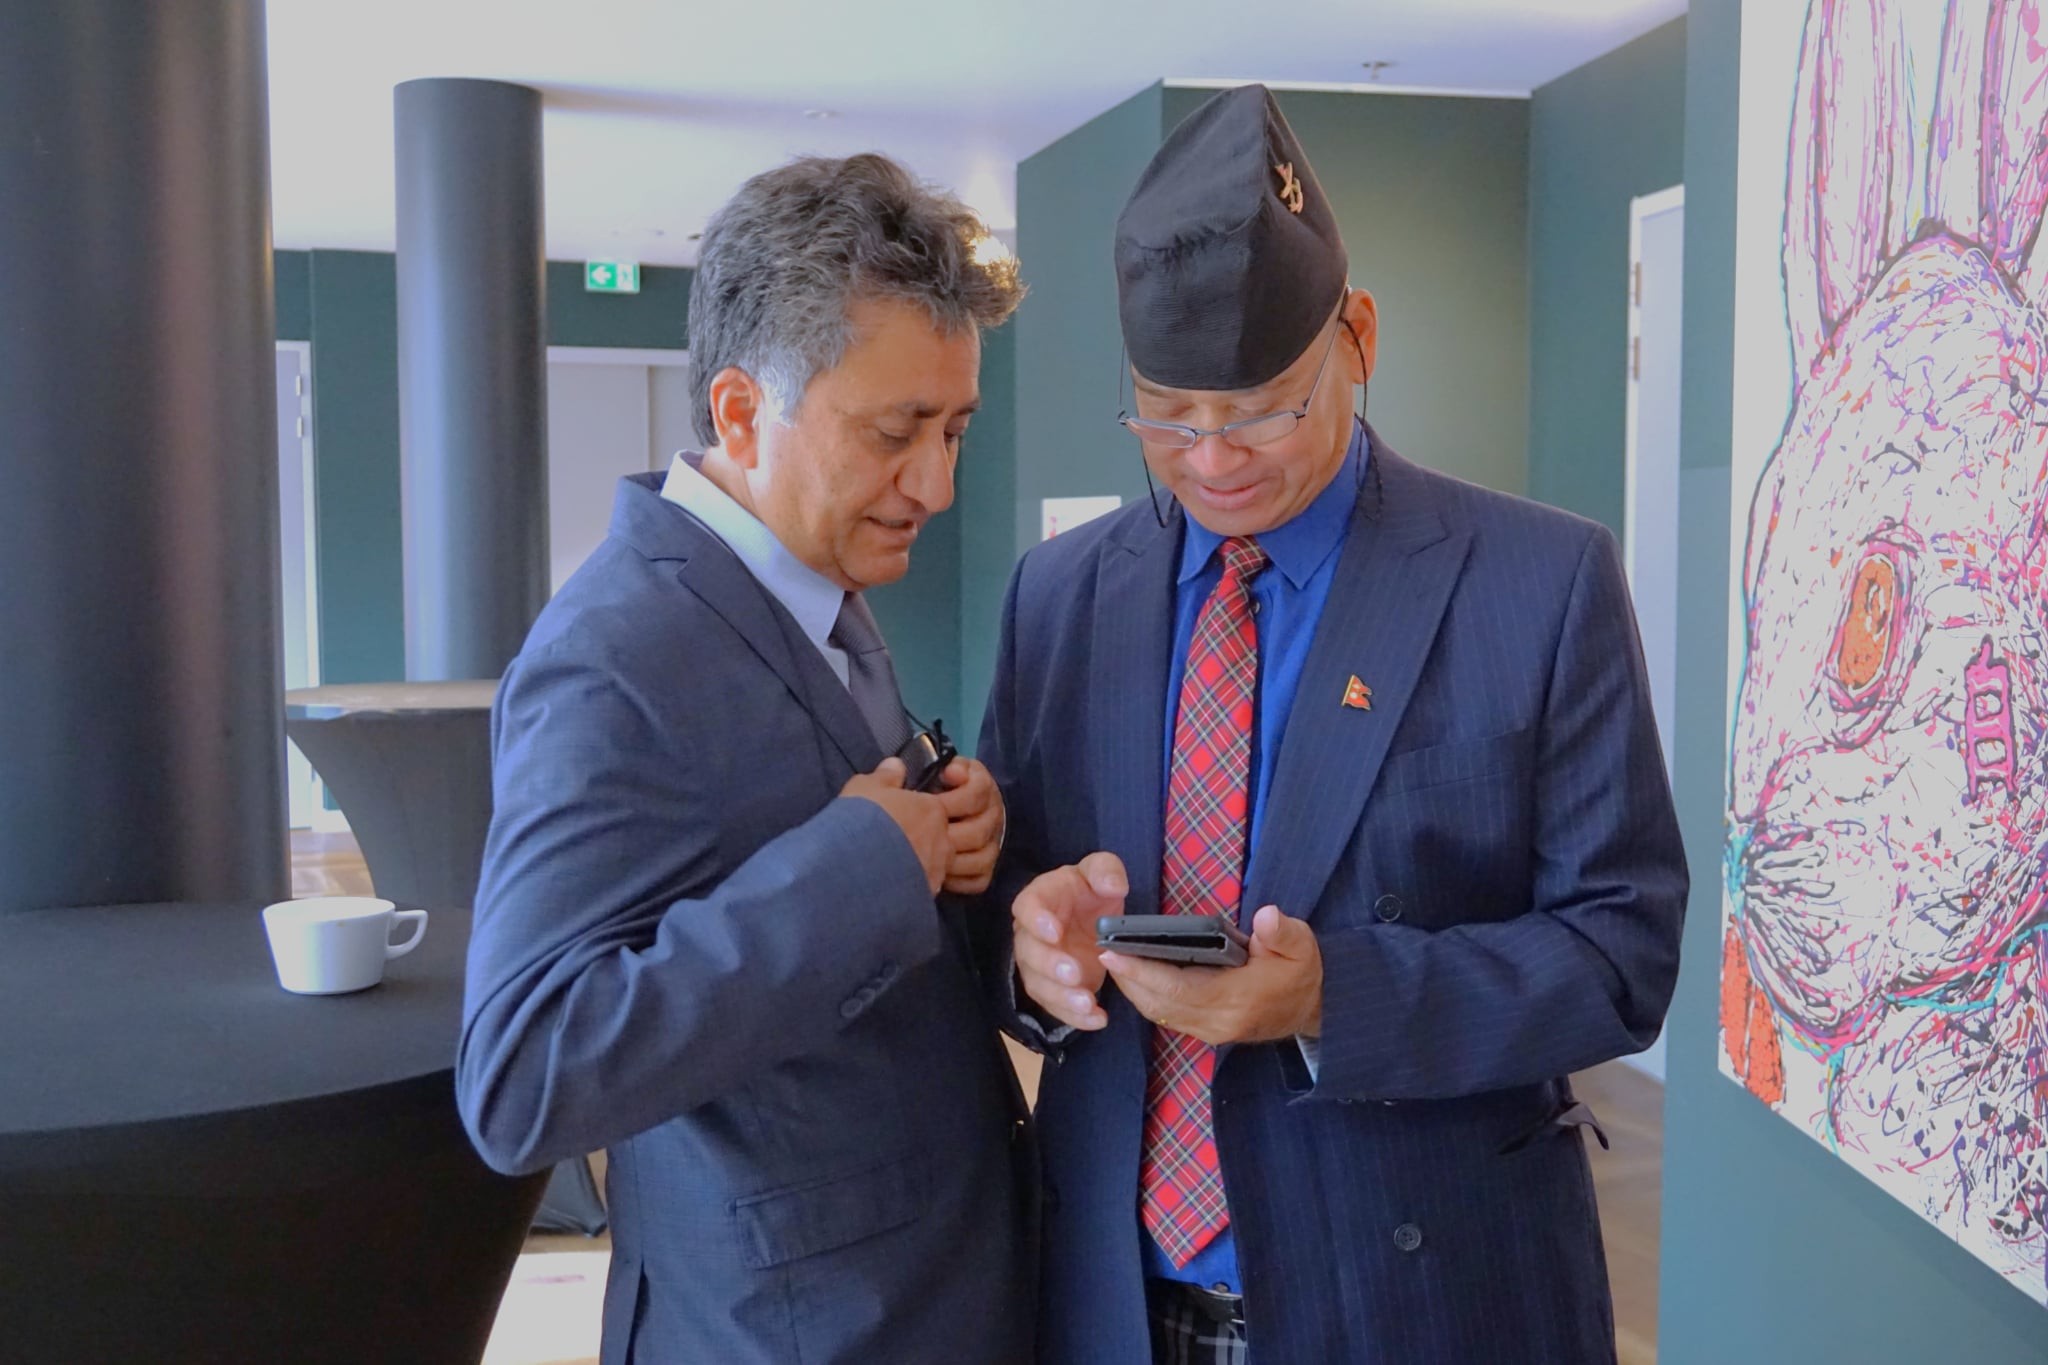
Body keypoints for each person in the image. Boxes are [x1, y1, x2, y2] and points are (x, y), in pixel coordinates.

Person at [979, 85, 1688, 1364]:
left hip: (1416, 1296)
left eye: (1261, 410)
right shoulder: (1059, 595)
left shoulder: (1537, 582)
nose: (1212, 461)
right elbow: (1004, 893)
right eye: (1166, 417)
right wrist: (1029, 949)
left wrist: (1333, 998)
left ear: (1355, 336)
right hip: (1112, 1302)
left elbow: (1618, 956)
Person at [456, 153, 1032, 1364]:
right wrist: (861, 868)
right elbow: (524, 1078)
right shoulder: (610, 656)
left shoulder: (819, 584)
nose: (934, 484)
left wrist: (953, 847)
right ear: (737, 412)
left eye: (954, 431)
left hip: (926, 1289)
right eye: (895, 432)